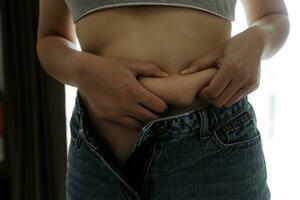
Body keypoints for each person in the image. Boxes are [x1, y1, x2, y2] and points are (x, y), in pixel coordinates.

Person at [36, 0, 290, 199]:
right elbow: (51, 37)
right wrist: (81, 69)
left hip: (213, 154)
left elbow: (273, 17)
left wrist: (258, 39)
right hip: (97, 161)